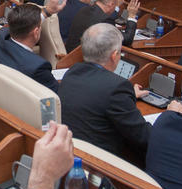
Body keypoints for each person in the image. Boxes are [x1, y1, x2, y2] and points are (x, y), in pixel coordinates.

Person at [59, 23, 151, 162]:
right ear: (114, 56)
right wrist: (170, 115)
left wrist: (128, 96)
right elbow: (143, 136)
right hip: (100, 163)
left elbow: (98, 93)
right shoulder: (117, 88)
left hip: (72, 152)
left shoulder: (73, 71)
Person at [0, 4, 58, 100]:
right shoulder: (37, 66)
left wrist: (47, 12)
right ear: (36, 32)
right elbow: (57, 96)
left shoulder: (0, 36)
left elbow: (8, 28)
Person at [64, 0, 139, 52]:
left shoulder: (85, 9)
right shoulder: (105, 19)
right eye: (115, 5)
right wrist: (132, 16)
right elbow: (126, 40)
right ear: (111, 4)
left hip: (70, 52)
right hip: (82, 57)